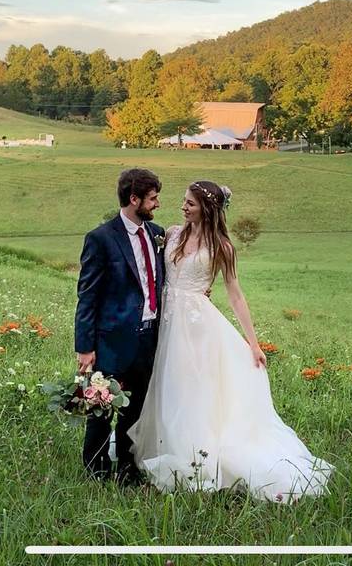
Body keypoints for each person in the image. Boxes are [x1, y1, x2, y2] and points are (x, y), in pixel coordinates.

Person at [129, 181, 332, 503]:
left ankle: (194, 456)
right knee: (168, 384)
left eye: (190, 204)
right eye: (183, 201)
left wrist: (253, 342)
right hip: (166, 319)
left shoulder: (222, 247)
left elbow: (235, 294)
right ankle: (163, 444)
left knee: (192, 389)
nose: (183, 207)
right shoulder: (171, 233)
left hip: (195, 325)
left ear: (207, 210)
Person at [74, 168, 165, 485]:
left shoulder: (157, 234)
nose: (157, 204)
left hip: (147, 340)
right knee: (101, 411)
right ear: (134, 198)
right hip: (110, 342)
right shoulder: (101, 238)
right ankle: (95, 474)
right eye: (152, 199)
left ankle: (128, 469)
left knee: (135, 410)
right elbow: (87, 296)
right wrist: (85, 347)